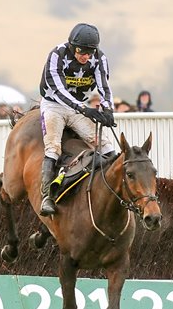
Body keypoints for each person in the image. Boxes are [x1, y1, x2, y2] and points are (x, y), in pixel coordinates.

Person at [38, 22, 116, 216]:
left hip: (79, 107)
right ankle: (47, 196)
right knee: (53, 147)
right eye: (82, 53)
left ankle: (116, 188)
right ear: (73, 47)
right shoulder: (57, 55)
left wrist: (108, 109)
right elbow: (58, 90)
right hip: (54, 105)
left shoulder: (99, 58)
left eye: (89, 53)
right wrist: (84, 109)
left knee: (104, 144)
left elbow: (104, 86)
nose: (86, 57)